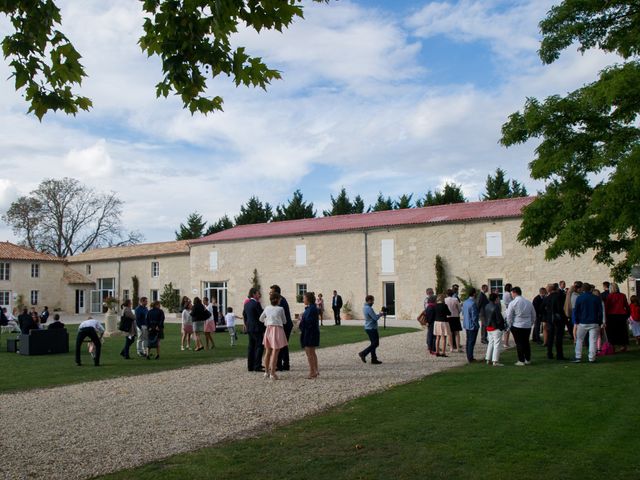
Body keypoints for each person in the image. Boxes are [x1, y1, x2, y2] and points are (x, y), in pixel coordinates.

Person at [259, 291, 289, 380]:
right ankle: (272, 373)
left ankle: (266, 372)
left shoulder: (267, 308)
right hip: (277, 330)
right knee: (275, 352)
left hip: (268, 329)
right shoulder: (280, 309)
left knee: (268, 351)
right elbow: (284, 321)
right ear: (277, 300)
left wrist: (267, 321)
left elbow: (261, 318)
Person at [571, 283, 603, 363]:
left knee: (579, 339)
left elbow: (576, 311)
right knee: (593, 340)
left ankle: (578, 356)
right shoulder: (596, 298)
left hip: (583, 322)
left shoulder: (580, 298)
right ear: (590, 289)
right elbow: (600, 311)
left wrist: (576, 321)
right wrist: (600, 321)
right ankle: (592, 358)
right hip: (594, 321)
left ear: (583, 289)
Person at [506, 286, 535, 366]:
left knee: (519, 343)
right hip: (527, 325)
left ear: (515, 293)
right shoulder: (528, 302)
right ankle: (528, 359)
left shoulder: (513, 303)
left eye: (512, 293)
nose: (512, 295)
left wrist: (509, 324)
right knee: (526, 342)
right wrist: (531, 322)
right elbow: (533, 314)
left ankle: (521, 360)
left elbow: (509, 315)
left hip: (517, 325)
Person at [272, 285, 293, 372]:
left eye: (272, 292)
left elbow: (280, 316)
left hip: (285, 326)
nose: (271, 294)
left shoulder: (280, 301)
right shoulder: (281, 300)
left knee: (281, 345)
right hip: (285, 325)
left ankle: (280, 365)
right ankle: (284, 364)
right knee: (283, 345)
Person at [543, 283, 567, 360]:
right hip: (558, 319)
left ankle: (549, 353)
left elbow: (542, 308)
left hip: (550, 319)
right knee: (558, 337)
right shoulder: (559, 296)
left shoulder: (547, 298)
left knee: (551, 337)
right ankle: (559, 355)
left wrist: (546, 315)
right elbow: (560, 308)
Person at [299, 291, 320, 378]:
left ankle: (312, 371)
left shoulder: (311, 309)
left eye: (304, 298)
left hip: (309, 334)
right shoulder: (311, 308)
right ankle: (315, 370)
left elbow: (308, 323)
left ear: (308, 299)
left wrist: (301, 320)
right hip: (311, 333)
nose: (303, 300)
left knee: (309, 353)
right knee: (312, 352)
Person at [243, 288, 265, 372]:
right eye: (258, 293)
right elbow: (261, 316)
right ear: (253, 294)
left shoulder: (247, 304)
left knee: (251, 347)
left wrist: (246, 324)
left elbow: (244, 315)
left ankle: (250, 366)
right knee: (259, 346)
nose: (259, 295)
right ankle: (257, 365)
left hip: (250, 328)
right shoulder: (256, 304)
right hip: (257, 328)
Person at [604, 283, 630, 352]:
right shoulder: (623, 295)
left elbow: (607, 307)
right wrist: (627, 314)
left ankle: (613, 347)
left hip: (612, 316)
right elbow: (626, 306)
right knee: (622, 331)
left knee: (612, 332)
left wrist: (605, 317)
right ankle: (623, 346)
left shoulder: (609, 296)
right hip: (621, 315)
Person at [358, 295, 384, 364]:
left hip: (368, 327)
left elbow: (373, 316)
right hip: (371, 328)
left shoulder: (365, 307)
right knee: (375, 343)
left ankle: (374, 359)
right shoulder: (368, 308)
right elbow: (375, 318)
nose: (373, 302)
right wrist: (380, 314)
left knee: (373, 344)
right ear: (369, 300)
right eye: (372, 300)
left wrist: (378, 314)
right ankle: (363, 353)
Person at [484, 293, 505, 366]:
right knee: (497, 344)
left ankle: (488, 358)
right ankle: (495, 361)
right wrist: (502, 327)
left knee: (491, 343)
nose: (498, 299)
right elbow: (499, 319)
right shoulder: (496, 307)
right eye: (498, 298)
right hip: (495, 327)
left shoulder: (486, 306)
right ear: (496, 299)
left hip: (489, 327)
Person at [462, 288, 479, 363]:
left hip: (466, 324)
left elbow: (463, 313)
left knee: (468, 341)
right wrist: (476, 324)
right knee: (471, 342)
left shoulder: (465, 302)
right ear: (474, 294)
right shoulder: (473, 303)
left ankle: (469, 356)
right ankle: (470, 358)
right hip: (472, 325)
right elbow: (474, 316)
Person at [502, 283, 513, 348]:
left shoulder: (504, 294)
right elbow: (512, 301)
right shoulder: (508, 294)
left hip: (506, 310)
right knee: (507, 329)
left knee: (507, 329)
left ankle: (506, 342)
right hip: (508, 310)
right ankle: (506, 343)